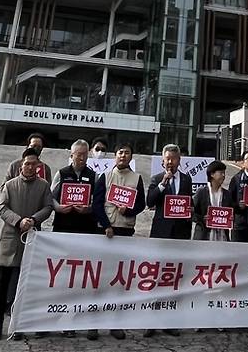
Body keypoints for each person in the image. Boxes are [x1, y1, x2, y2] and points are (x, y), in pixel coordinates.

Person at [0, 149, 53, 341]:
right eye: (27, 163)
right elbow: (2, 208)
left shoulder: (43, 186)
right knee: (2, 285)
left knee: (22, 287)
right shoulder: (9, 185)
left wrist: (33, 219)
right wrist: (18, 221)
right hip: (9, 240)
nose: (30, 167)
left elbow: (48, 207)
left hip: (31, 240)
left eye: (34, 164)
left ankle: (18, 325)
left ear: (38, 165)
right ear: (21, 165)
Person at [93, 143, 146, 342]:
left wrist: (129, 210)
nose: (123, 155)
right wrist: (106, 224)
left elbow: (141, 203)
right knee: (100, 278)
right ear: (115, 156)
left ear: (131, 157)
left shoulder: (137, 178)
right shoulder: (104, 176)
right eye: (120, 152)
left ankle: (115, 323)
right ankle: (94, 323)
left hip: (125, 230)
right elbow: (97, 204)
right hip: (105, 231)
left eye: (127, 153)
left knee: (118, 279)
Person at [51, 140, 98, 341]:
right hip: (64, 228)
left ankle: (78, 318)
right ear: (71, 154)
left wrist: (89, 208)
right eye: (77, 154)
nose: (81, 157)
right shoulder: (61, 173)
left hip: (85, 231)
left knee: (81, 277)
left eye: (84, 154)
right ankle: (61, 319)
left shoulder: (93, 176)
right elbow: (50, 198)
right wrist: (58, 207)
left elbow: (98, 201)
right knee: (63, 276)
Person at [146, 143, 194, 239]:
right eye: (167, 159)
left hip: (181, 230)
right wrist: (162, 184)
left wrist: (191, 209)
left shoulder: (186, 179)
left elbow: (189, 201)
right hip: (161, 229)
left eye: (174, 158)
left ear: (179, 160)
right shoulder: (157, 179)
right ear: (163, 161)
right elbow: (150, 202)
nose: (170, 162)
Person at [192, 160, 232, 241]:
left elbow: (230, 212)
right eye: (221, 173)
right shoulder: (201, 192)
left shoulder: (227, 194)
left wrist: (230, 218)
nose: (223, 176)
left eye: (224, 173)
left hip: (222, 237)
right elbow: (193, 213)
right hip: (204, 237)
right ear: (212, 174)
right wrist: (203, 219)